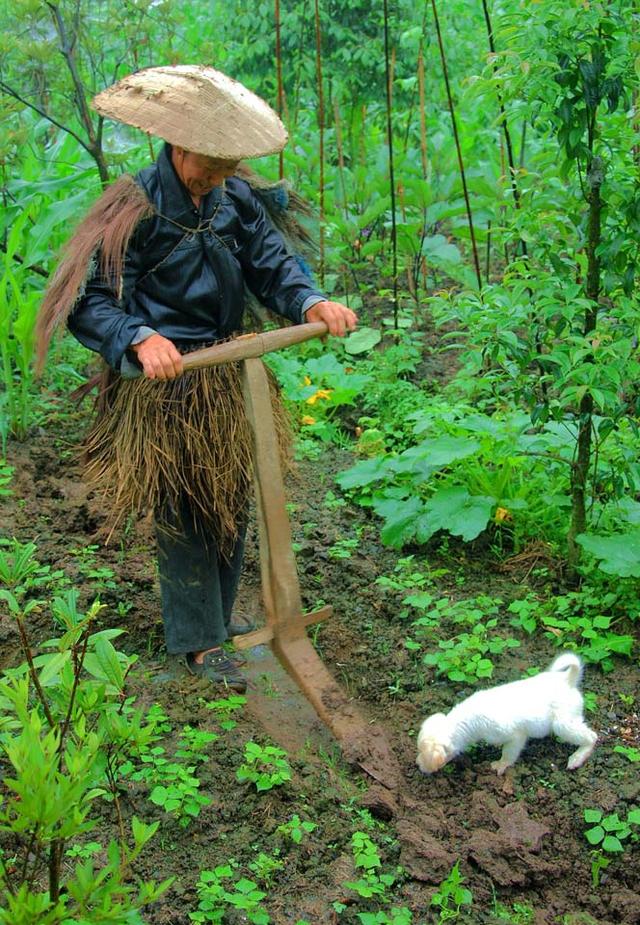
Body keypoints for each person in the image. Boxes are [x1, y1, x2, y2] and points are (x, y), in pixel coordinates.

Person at [36, 65, 357, 692]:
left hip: (227, 374)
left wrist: (310, 302)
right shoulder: (133, 206)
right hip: (165, 386)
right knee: (182, 506)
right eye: (206, 168)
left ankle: (219, 616)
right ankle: (200, 639)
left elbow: (272, 264)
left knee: (232, 496)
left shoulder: (235, 199)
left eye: (225, 170)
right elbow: (88, 299)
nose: (213, 182)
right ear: (177, 146)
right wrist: (137, 336)